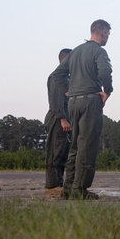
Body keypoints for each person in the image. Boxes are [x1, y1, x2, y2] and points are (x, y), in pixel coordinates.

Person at [50, 19, 113, 200]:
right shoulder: (99, 51)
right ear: (102, 33)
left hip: (73, 103)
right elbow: (105, 72)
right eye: (108, 34)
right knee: (87, 144)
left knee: (75, 146)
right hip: (89, 101)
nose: (108, 37)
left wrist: (68, 92)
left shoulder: (76, 51)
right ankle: (80, 190)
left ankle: (68, 189)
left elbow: (57, 75)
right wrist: (107, 91)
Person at [43, 47, 72, 197]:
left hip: (64, 119)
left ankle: (58, 183)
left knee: (62, 153)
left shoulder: (66, 78)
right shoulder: (57, 76)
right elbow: (56, 100)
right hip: (58, 119)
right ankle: (52, 185)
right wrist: (63, 118)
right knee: (56, 152)